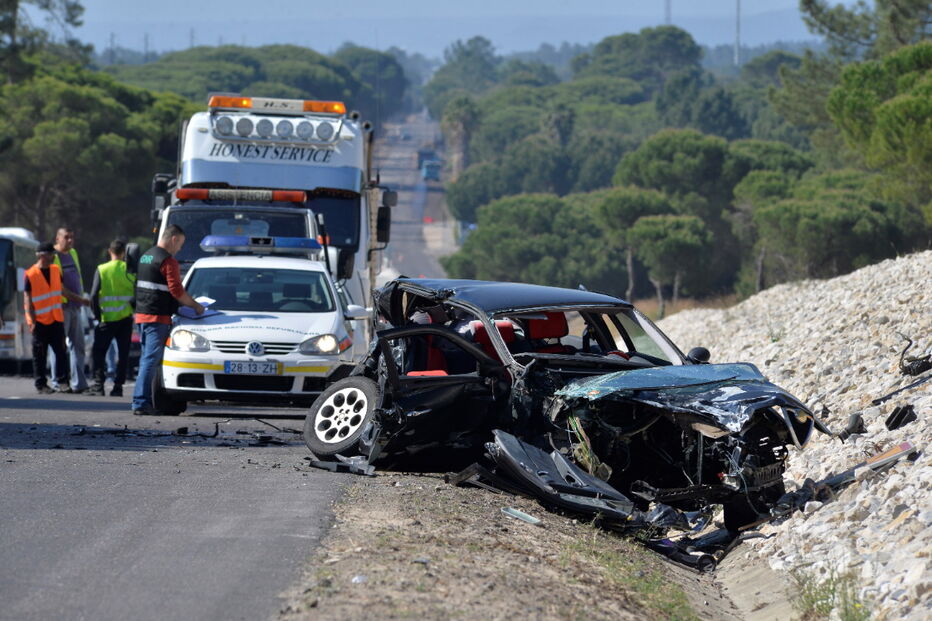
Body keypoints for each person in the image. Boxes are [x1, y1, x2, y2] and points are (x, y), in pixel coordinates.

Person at [131, 225, 204, 415]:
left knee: (146, 359)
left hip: (142, 314)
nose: (179, 249)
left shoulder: (146, 256)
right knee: (150, 360)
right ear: (173, 239)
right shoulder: (168, 261)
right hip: (157, 317)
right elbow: (177, 292)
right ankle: (141, 403)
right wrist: (196, 306)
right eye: (180, 244)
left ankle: (142, 400)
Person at [24, 242, 86, 394]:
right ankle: (41, 384)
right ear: (42, 255)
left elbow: (62, 290)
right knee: (40, 355)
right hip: (39, 321)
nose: (54, 257)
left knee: (61, 352)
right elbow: (28, 300)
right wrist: (31, 321)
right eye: (51, 254)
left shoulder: (55, 270)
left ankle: (63, 381)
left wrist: (81, 300)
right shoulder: (30, 274)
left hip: (56, 319)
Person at [87, 239, 136, 397]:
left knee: (98, 353)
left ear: (110, 251)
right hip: (125, 319)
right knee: (123, 354)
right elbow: (136, 295)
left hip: (106, 319)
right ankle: (118, 387)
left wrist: (97, 315)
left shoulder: (102, 269)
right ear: (124, 253)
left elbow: (94, 294)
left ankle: (98, 385)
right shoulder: (129, 269)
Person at [51, 226, 90, 393]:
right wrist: (80, 299)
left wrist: (80, 301)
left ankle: (78, 383)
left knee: (78, 346)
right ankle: (57, 381)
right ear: (58, 238)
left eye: (71, 237)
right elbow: (59, 287)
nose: (70, 240)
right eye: (66, 237)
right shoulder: (53, 256)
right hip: (62, 307)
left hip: (76, 308)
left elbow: (77, 278)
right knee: (59, 347)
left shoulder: (72, 253)